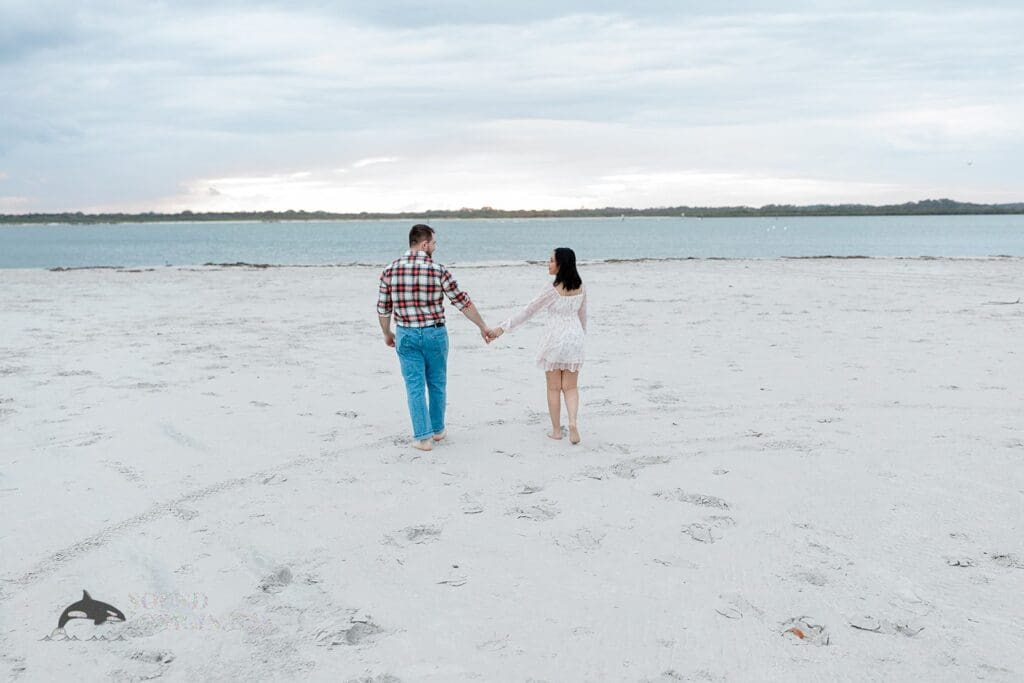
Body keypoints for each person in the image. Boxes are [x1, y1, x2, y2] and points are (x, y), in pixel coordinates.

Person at [377, 224, 492, 451]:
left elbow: (383, 309)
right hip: (435, 333)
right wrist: (482, 326)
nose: (435, 248)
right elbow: (462, 302)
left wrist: (387, 333)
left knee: (415, 386)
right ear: (424, 244)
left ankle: (423, 438)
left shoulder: (390, 270)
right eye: (434, 243)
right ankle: (438, 430)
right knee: (437, 382)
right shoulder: (439, 270)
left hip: (406, 334)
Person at [488, 247, 586, 444]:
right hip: (575, 338)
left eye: (551, 260)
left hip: (555, 338)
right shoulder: (581, 286)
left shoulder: (552, 289)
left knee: (553, 388)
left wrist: (501, 328)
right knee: (571, 387)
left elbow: (528, 311)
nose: (548, 263)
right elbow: (583, 316)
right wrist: (580, 337)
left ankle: (557, 431)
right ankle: (573, 422)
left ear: (560, 264)